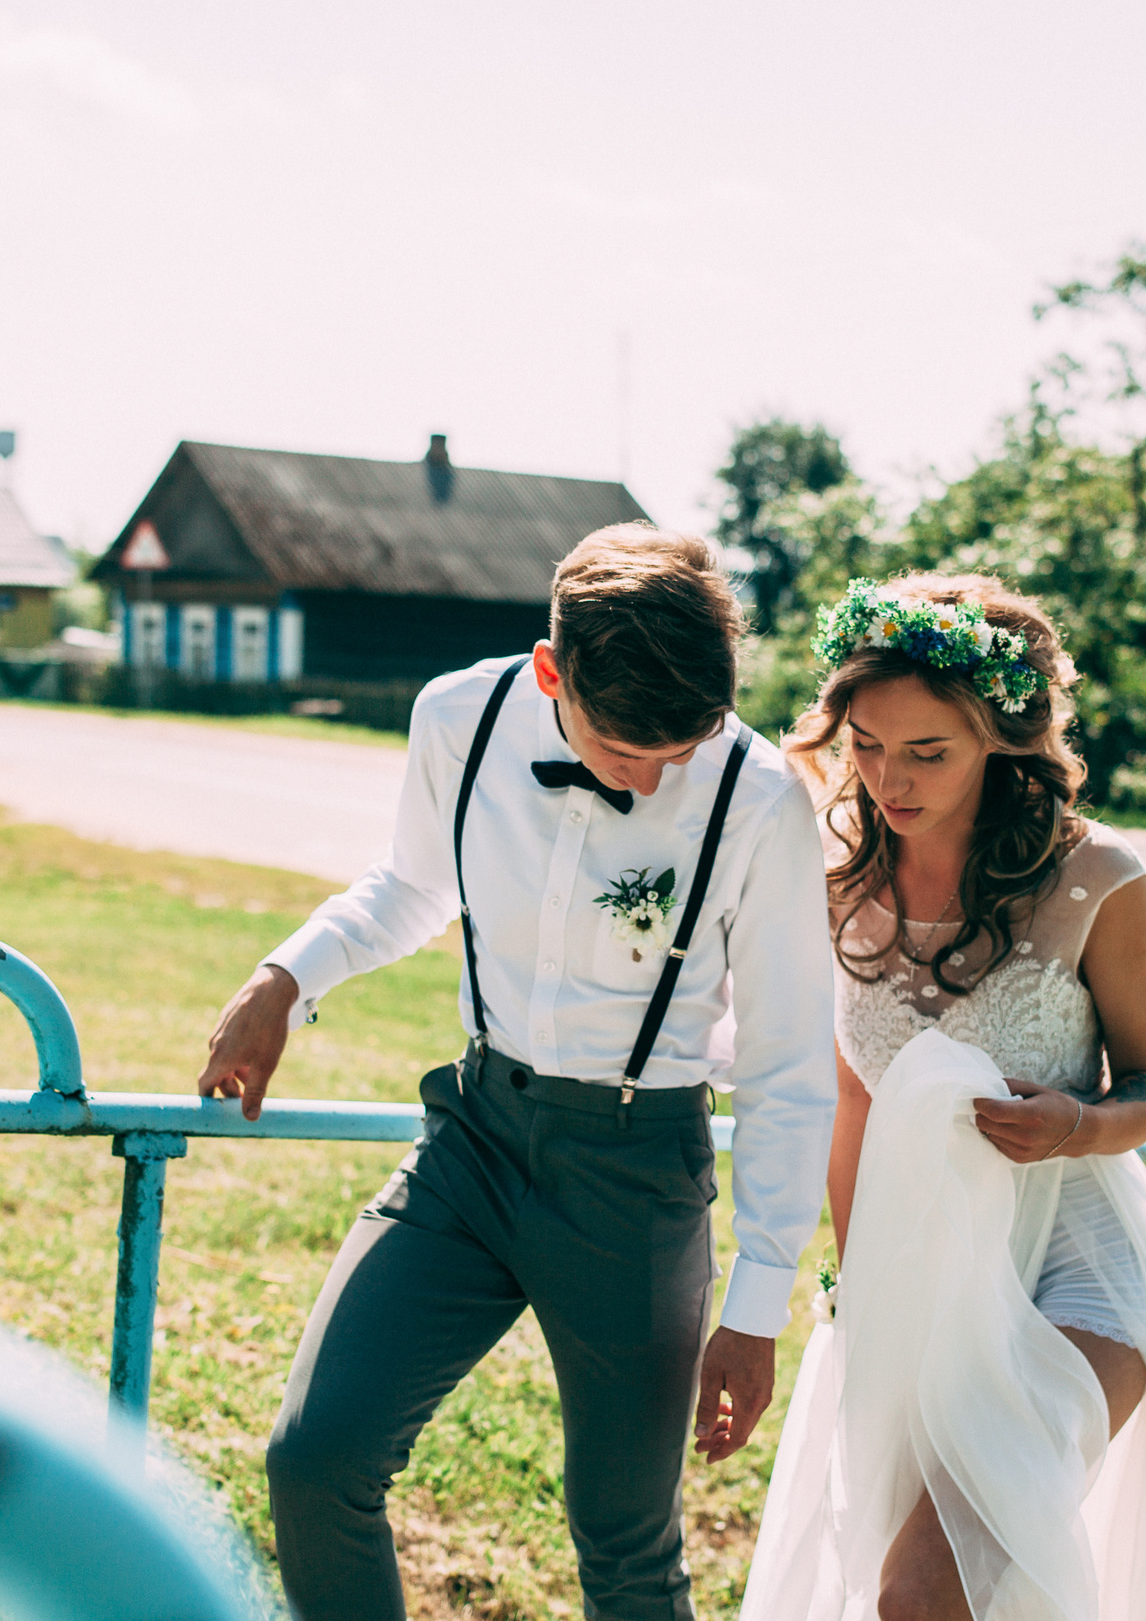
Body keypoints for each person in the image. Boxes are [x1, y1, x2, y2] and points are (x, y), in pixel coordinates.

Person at [196, 525, 837, 1621]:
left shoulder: (760, 797)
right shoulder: (460, 715)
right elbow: (409, 886)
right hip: (475, 1143)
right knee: (315, 1459)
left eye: (684, 747)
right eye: (628, 749)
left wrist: (757, 1303)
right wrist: (283, 979)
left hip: (635, 1183)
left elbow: (786, 1064)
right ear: (552, 673)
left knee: (626, 1547)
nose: (658, 775)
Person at [739, 574, 1146, 1621]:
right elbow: (856, 1100)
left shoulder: (1096, 882)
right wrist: (855, 1288)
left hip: (1081, 1280)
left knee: (921, 1595)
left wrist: (1079, 1125)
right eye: (865, 745)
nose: (888, 779)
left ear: (1001, 739)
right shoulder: (833, 881)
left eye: (926, 752)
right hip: (920, 1284)